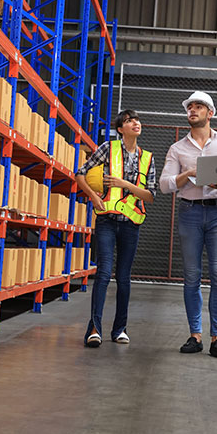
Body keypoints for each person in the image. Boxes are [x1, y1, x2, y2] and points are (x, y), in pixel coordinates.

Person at [159, 91, 217, 358]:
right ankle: (195, 335)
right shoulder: (177, 149)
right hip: (190, 213)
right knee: (192, 276)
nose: (192, 111)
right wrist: (188, 173)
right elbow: (164, 185)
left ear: (210, 113)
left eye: (198, 107)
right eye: (189, 108)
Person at [75, 109, 156, 347]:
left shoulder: (147, 157)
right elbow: (80, 173)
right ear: (120, 129)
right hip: (107, 221)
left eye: (137, 120)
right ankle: (94, 329)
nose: (135, 123)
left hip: (131, 224)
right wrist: (92, 196)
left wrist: (124, 184)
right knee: (103, 273)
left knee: (123, 277)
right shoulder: (108, 149)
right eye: (129, 121)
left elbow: (150, 195)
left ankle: (120, 329)